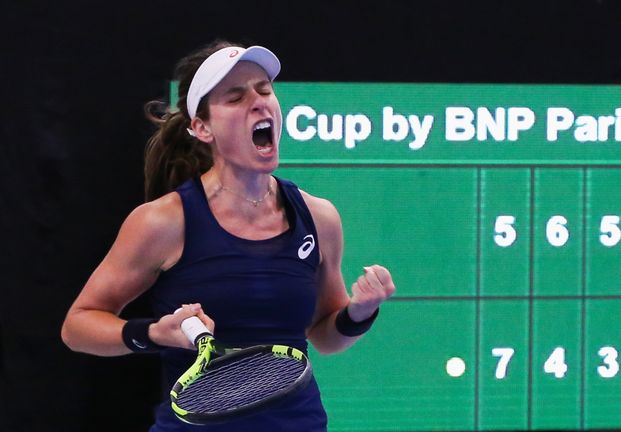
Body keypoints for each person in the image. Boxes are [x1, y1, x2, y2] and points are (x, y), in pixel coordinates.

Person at [61, 40, 396, 431]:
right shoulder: (163, 222)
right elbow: (78, 327)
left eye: (265, 90)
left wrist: (360, 313)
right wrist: (154, 334)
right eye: (236, 98)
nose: (259, 102)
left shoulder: (319, 217)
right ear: (202, 128)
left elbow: (324, 336)